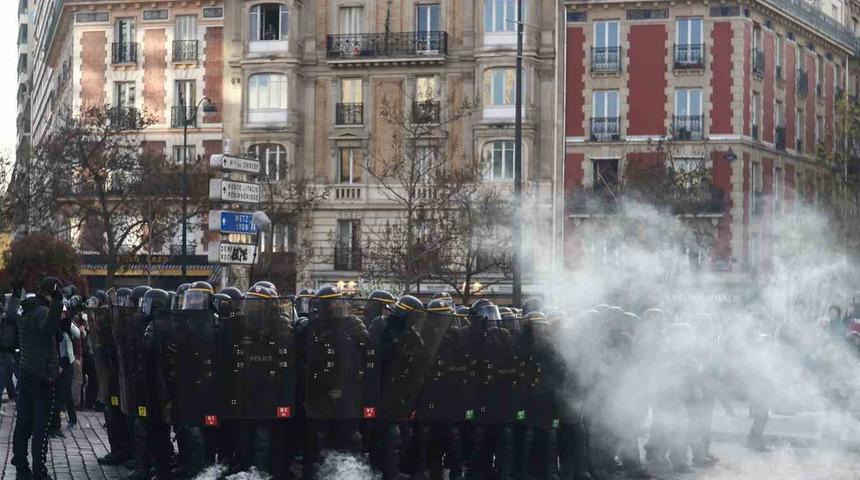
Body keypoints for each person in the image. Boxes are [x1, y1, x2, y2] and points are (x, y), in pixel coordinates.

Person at [10, 277, 65, 480]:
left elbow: (10, 317)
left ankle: (21, 468)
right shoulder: (41, 311)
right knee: (40, 428)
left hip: (26, 373)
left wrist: (15, 295)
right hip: (42, 376)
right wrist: (58, 303)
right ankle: (39, 471)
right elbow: (48, 329)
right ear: (52, 292)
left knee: (23, 424)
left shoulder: (24, 309)